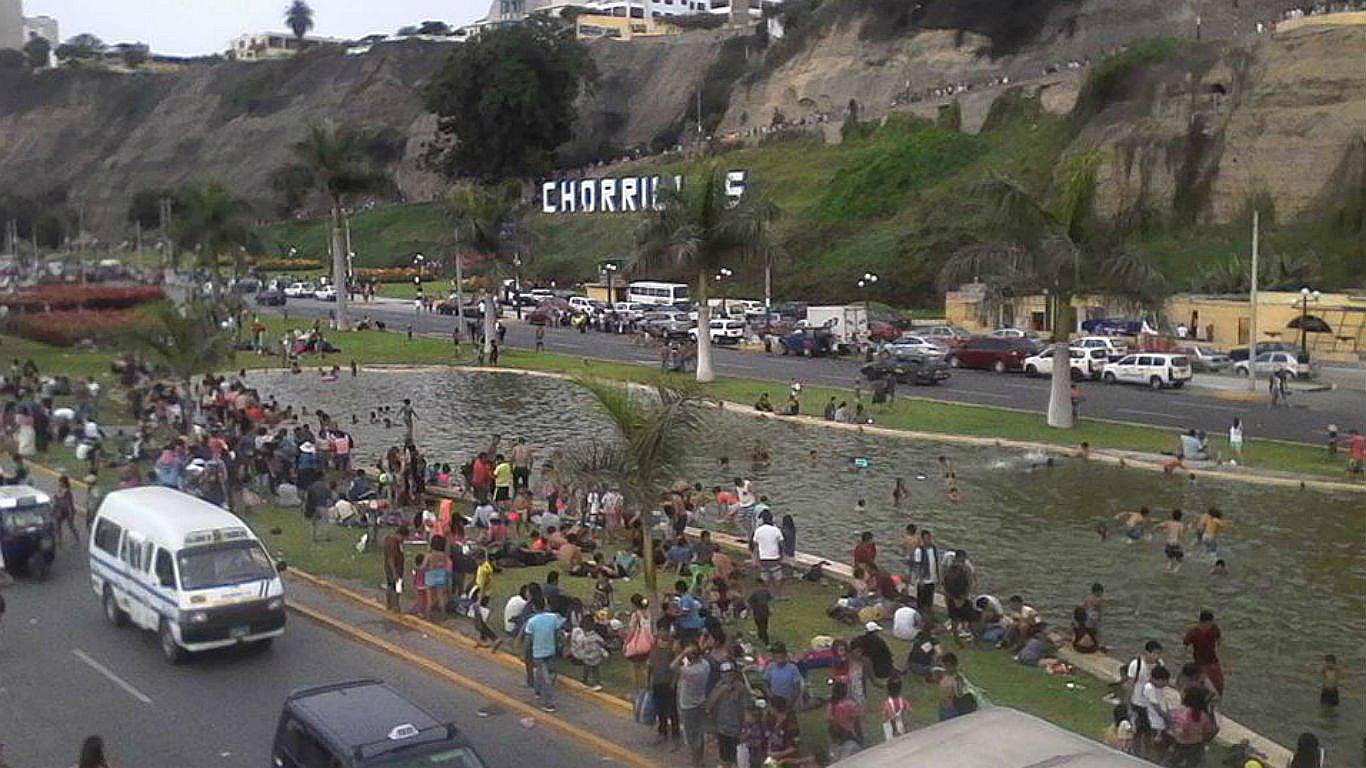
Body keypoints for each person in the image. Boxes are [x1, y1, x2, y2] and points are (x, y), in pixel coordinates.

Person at [523, 601, 566, 713]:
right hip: (551, 651)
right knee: (546, 674)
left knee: (544, 676)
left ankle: (549, 703)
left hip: (538, 653)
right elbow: (558, 632)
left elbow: (528, 641)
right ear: (545, 606)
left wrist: (526, 653)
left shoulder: (531, 622)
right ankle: (538, 691)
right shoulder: (553, 618)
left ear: (534, 608)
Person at [674, 643, 712, 768]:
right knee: (699, 734)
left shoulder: (690, 672)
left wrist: (682, 654)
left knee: (691, 737)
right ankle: (700, 761)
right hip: (700, 702)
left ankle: (695, 763)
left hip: (689, 706)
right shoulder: (705, 666)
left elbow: (673, 666)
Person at [706, 660, 750, 768]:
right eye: (725, 672)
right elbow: (709, 705)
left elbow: (747, 709)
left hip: (737, 730)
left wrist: (746, 729)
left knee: (737, 759)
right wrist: (721, 691)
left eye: (730, 672)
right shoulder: (718, 686)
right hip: (722, 729)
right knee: (724, 759)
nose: (728, 675)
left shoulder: (741, 688)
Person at [1183, 610, 1225, 696]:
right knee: (1203, 684)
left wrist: (1220, 651)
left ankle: (1218, 698)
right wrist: (1187, 658)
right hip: (1200, 662)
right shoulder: (1193, 633)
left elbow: (1219, 639)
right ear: (1204, 622)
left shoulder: (1214, 628)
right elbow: (1185, 646)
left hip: (1213, 660)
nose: (1211, 625)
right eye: (1210, 623)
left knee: (1219, 683)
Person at [826, 681, 864, 760]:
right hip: (849, 735)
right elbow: (857, 721)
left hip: (837, 738)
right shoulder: (850, 704)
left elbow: (829, 721)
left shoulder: (831, 705)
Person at [909, 529, 941, 622]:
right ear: (923, 539)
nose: (929, 540)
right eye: (927, 538)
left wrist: (938, 577)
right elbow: (918, 565)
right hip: (923, 580)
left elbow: (935, 562)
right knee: (922, 600)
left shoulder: (933, 548)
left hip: (932, 578)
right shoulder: (919, 550)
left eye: (929, 538)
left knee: (929, 599)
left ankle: (929, 616)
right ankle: (920, 617)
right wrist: (921, 579)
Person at [751, 512, 785, 594]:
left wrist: (755, 559)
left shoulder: (758, 530)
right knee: (778, 576)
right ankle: (777, 594)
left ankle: (766, 592)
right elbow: (782, 543)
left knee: (765, 575)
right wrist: (781, 555)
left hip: (763, 557)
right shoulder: (776, 530)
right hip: (774, 557)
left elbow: (755, 546)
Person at [763, 643, 804, 710]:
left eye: (781, 654)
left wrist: (791, 701)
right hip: (775, 700)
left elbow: (797, 687)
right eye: (776, 655)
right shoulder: (770, 667)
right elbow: (765, 683)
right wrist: (771, 696)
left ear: (785, 655)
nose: (779, 657)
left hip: (789, 700)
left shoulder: (792, 668)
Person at [383, 524, 409, 611]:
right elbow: (391, 559)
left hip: (393, 568)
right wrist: (394, 572)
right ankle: (395, 604)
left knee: (390, 586)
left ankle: (389, 604)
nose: (404, 540)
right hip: (395, 569)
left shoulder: (392, 541)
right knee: (396, 588)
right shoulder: (393, 543)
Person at [53, 474, 79, 546]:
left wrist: (71, 514)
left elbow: (69, 503)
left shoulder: (67, 492)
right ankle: (59, 540)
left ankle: (77, 540)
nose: (59, 483)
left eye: (60, 482)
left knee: (71, 526)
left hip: (68, 511)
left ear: (64, 483)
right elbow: (56, 499)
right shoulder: (59, 489)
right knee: (57, 525)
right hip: (61, 510)